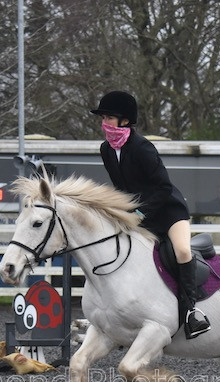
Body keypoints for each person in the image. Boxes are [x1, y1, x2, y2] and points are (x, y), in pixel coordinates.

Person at [90, 90, 210, 339]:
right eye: (103, 118)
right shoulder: (106, 150)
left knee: (183, 251)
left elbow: (164, 188)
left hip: (168, 212)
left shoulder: (143, 148)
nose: (105, 124)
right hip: (138, 215)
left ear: (125, 120)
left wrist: (141, 212)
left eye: (109, 118)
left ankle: (191, 313)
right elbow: (122, 188)